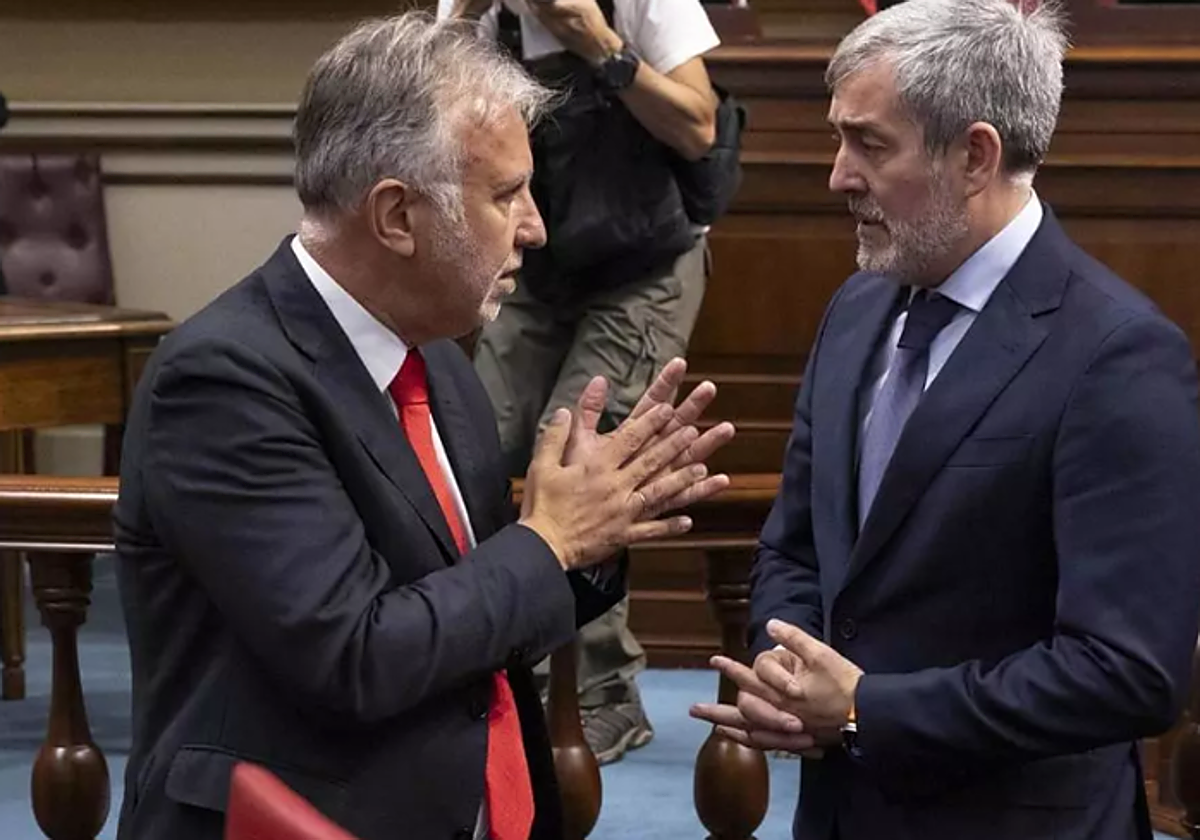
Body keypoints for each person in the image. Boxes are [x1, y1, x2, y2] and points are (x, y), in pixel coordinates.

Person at [113, 13, 734, 840]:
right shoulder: (223, 380)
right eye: (507, 194)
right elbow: (356, 656)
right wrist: (549, 541)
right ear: (397, 217)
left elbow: (474, 607)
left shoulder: (435, 359)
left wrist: (597, 528)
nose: (536, 227)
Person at [691, 1, 1200, 839]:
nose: (837, 176)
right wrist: (785, 663)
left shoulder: (1117, 354)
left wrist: (864, 709)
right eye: (838, 138)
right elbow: (797, 545)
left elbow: (1128, 672)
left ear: (975, 155)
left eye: (869, 143)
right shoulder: (855, 310)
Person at [439, 0, 722, 766]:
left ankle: (602, 695)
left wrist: (599, 45)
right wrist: (460, 23)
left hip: (643, 265)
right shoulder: (479, 14)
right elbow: (424, 112)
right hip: (537, 261)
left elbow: (699, 127)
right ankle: (501, 668)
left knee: (575, 452)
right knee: (477, 444)